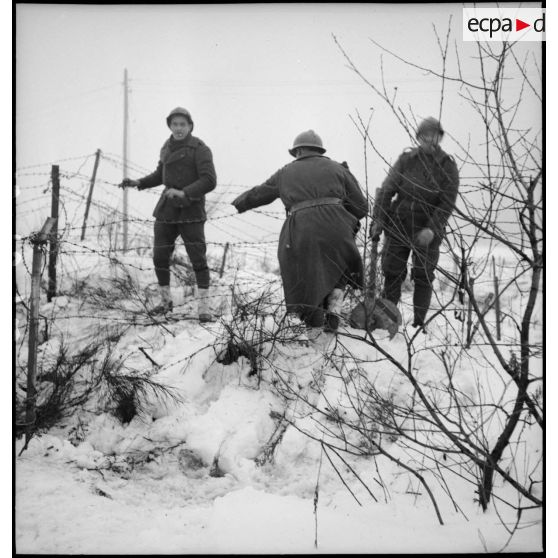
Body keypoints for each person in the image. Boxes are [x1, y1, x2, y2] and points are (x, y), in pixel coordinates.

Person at [231, 130, 368, 338]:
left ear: (298, 151)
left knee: (305, 276)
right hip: (337, 226)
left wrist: (239, 203)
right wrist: (340, 214)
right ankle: (335, 302)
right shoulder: (339, 169)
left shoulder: (286, 172)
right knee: (339, 261)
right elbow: (361, 208)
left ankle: (313, 328)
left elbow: (262, 193)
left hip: (302, 229)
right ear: (320, 151)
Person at [120, 107, 217, 321]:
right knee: (159, 257)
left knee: (198, 259)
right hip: (166, 210)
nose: (179, 128)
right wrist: (139, 183)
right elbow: (160, 175)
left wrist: (184, 192)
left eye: (183, 124)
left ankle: (204, 308)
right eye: (175, 124)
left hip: (190, 209)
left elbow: (210, 180)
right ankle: (165, 302)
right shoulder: (166, 146)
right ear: (170, 126)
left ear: (190, 126)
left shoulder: (200, 149)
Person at [370, 117, 459, 329]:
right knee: (392, 272)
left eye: (434, 135)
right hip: (399, 224)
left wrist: (432, 228)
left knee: (423, 276)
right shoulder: (407, 160)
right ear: (419, 137)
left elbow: (447, 203)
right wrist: (379, 219)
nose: (429, 140)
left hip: (428, 229)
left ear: (440, 137)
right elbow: (387, 190)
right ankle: (386, 322)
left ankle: (419, 325)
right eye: (424, 136)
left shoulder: (447, 166)